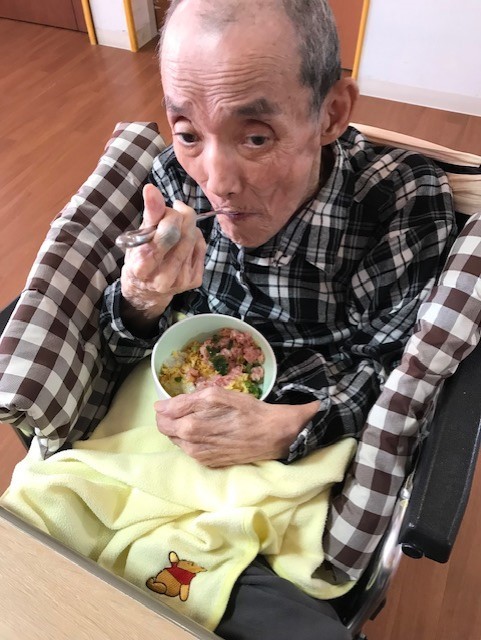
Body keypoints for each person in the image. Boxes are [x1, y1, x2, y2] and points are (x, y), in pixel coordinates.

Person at [100, 0, 456, 637]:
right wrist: (142, 299)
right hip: (158, 446)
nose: (216, 183)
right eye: (189, 133)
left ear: (332, 113)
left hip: (303, 463)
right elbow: (124, 341)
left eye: (256, 137)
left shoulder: (399, 202)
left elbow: (396, 368)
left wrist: (292, 426)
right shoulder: (174, 185)